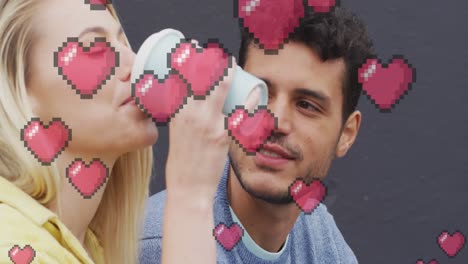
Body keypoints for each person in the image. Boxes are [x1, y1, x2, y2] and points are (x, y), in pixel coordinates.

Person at [0, 0, 255, 263]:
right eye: (94, 47)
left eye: (123, 44)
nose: (133, 65)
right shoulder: (11, 246)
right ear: (18, 88)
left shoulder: (91, 248)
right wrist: (191, 197)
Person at [140, 6, 375, 264]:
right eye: (261, 92)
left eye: (306, 105)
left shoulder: (318, 236)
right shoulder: (158, 247)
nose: (275, 121)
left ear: (347, 134)